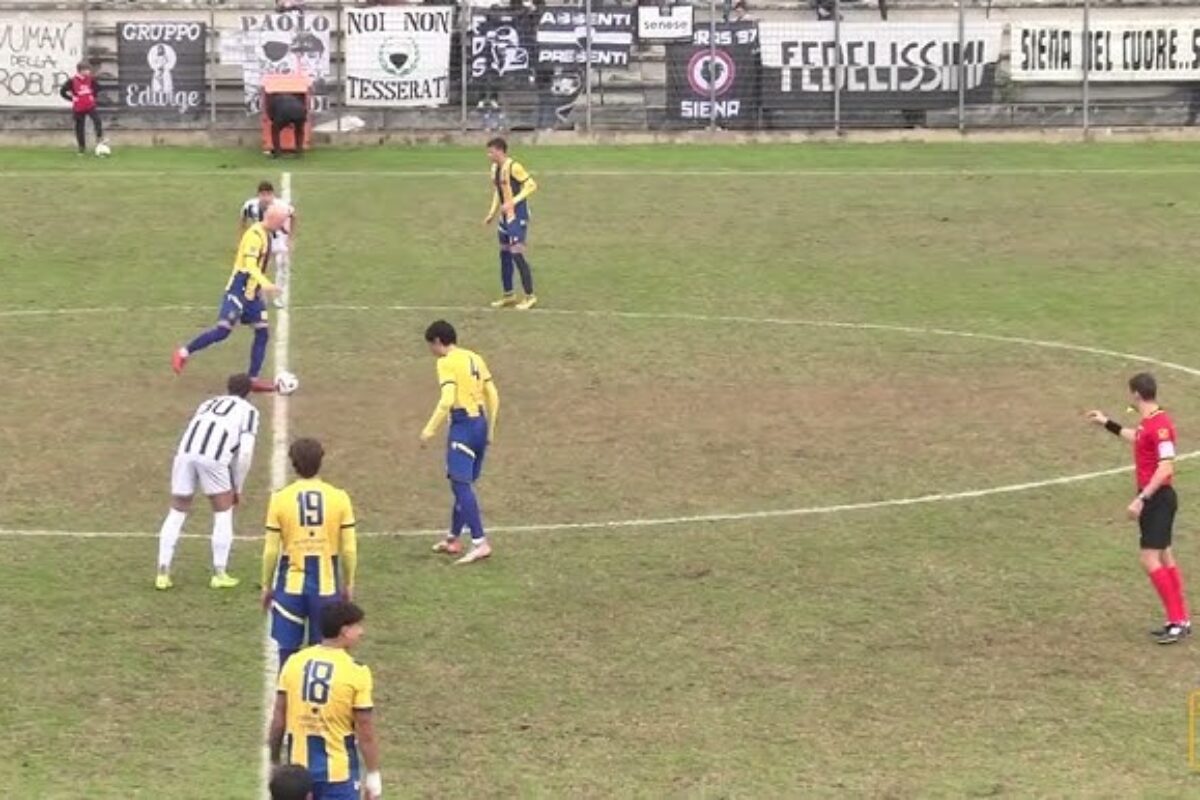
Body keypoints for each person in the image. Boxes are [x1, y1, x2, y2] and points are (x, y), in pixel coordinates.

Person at [1087, 372, 1191, 644]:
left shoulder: (1161, 426)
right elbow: (1137, 437)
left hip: (1157, 498)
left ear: (1135, 394)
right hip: (1156, 497)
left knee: (1149, 559)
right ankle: (1181, 619)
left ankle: (1177, 623)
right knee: (1166, 556)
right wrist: (1106, 422)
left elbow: (1166, 466)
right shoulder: (1150, 422)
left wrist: (1141, 499)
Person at [156, 373, 260, 590]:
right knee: (223, 512)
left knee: (176, 512)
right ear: (249, 392)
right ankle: (219, 573)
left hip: (184, 454)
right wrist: (237, 487)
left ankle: (162, 572)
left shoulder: (208, 403)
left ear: (228, 388)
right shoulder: (249, 411)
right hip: (214, 458)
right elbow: (245, 453)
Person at [269, 601, 382, 800]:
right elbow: (365, 729)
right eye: (357, 626)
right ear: (344, 631)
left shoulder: (295, 662)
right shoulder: (357, 671)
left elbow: (279, 718)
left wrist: (274, 761)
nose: (361, 632)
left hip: (298, 774)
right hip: (338, 773)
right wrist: (373, 774)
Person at [262, 438, 358, 670]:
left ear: (293, 464)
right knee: (325, 654)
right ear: (321, 461)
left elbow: (271, 549)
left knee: (287, 657)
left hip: (290, 588)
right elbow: (348, 548)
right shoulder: (339, 497)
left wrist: (266, 585)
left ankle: (284, 705)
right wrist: (349, 582)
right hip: (326, 589)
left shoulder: (279, 499)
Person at [173, 204, 288, 391]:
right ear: (273, 218)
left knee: (262, 332)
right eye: (282, 221)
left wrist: (259, 290)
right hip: (238, 291)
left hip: (252, 296)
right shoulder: (254, 236)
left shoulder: (266, 234)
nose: (283, 225)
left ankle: (252, 379)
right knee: (223, 331)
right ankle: (183, 352)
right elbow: (250, 266)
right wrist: (265, 283)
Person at [422, 320, 499, 565]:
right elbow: (494, 396)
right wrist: (491, 430)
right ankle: (453, 539)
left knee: (461, 485)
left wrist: (429, 430)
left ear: (437, 342)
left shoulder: (445, 363)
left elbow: (446, 400)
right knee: (462, 484)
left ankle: (479, 542)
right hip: (481, 424)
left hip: (463, 427)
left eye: (431, 346)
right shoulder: (474, 357)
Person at [484, 137, 539, 310]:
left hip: (517, 216)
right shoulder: (494, 169)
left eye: (491, 151)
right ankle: (509, 295)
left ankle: (530, 296)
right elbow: (498, 192)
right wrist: (492, 212)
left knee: (517, 254)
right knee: (504, 255)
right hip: (504, 218)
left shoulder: (514, 166)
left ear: (500, 150)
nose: (489, 155)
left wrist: (512, 202)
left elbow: (531, 185)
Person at [241, 181, 297, 309]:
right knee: (260, 268)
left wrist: (290, 238)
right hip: (261, 242)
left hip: (279, 241)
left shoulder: (281, 206)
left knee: (282, 267)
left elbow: (293, 216)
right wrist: (242, 240)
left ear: (273, 194)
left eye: (268, 194)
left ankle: (278, 296)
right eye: (263, 194)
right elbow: (242, 220)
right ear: (258, 195)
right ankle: (260, 295)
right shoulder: (250, 205)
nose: (266, 197)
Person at [60, 61, 104, 156]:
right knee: (79, 127)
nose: (89, 72)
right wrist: (72, 98)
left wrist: (93, 96)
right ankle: (81, 148)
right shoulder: (72, 81)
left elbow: (98, 88)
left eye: (89, 70)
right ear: (81, 71)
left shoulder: (91, 79)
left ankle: (99, 139)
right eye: (87, 70)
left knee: (97, 120)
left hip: (90, 105)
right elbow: (62, 92)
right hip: (79, 107)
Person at [269, 92, 308, 159]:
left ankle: (277, 153)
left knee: (274, 130)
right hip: (300, 111)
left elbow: (271, 115)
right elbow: (304, 109)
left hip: (284, 113)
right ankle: (299, 152)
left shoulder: (274, 100)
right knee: (299, 130)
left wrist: (283, 123)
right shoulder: (295, 99)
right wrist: (288, 123)